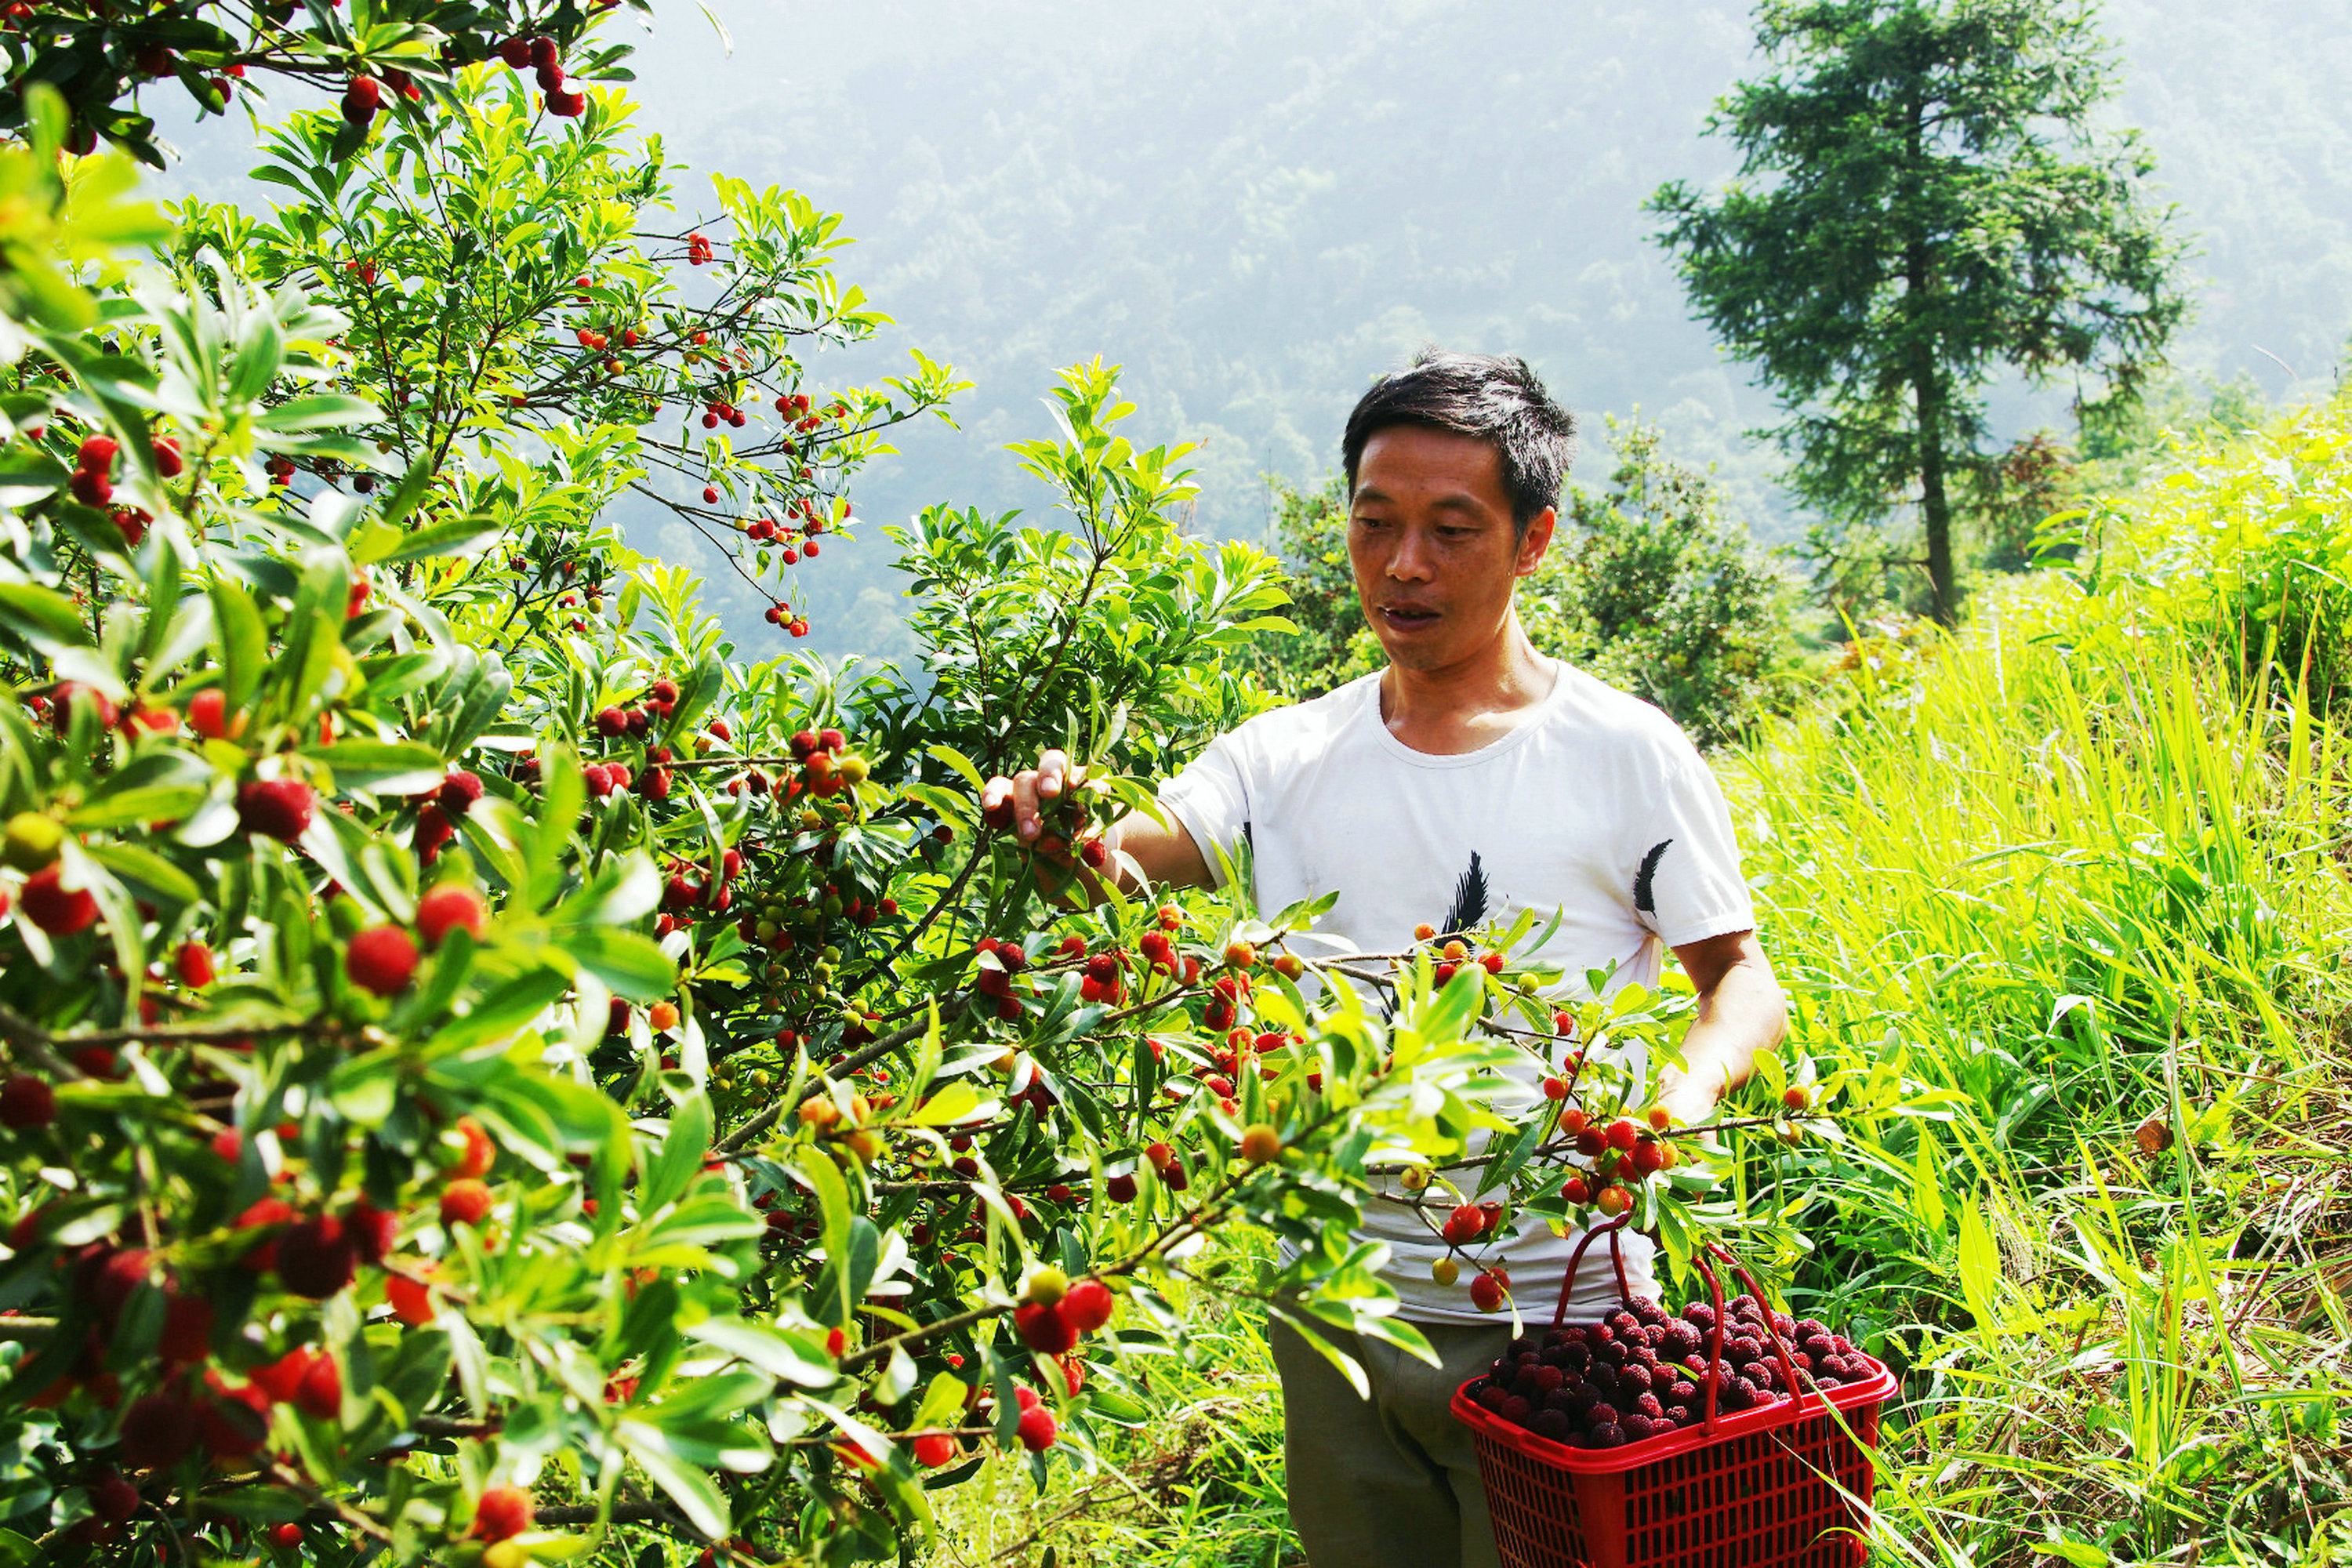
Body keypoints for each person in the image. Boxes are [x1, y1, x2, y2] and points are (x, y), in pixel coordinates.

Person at [980, 350, 1787, 1568]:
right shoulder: (1281, 760)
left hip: (1555, 1313)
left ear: (1534, 541)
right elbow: (1114, 861)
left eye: (1452, 528)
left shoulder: (1623, 751)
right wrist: (1045, 821)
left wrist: (1684, 1093)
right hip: (1337, 1309)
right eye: (1375, 523)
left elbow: (1739, 979)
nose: (1404, 564)